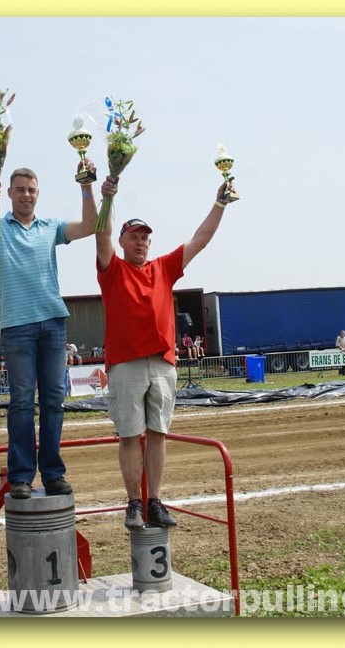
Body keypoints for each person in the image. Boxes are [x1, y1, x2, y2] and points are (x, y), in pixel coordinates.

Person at [95, 178, 235, 529]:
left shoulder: (163, 267)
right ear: (123, 241)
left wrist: (219, 204)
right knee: (129, 435)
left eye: (145, 238)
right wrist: (107, 200)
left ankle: (155, 501)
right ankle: (133, 503)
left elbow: (200, 239)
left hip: (162, 364)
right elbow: (101, 235)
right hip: (126, 364)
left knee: (157, 433)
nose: (140, 242)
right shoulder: (113, 270)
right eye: (134, 237)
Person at [0, 161, 98, 500]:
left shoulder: (50, 226)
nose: (26, 195)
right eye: (20, 189)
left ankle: (53, 473)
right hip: (16, 325)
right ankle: (22, 475)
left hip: (53, 322)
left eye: (31, 190)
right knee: (22, 402)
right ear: (9, 193)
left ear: (38, 194)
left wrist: (86, 185)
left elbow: (91, 225)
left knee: (54, 400)